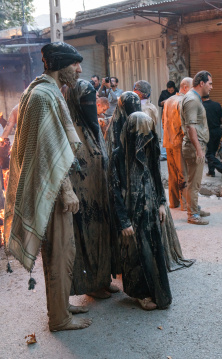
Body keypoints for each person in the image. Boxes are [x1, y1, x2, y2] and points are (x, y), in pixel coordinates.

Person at [5, 42, 92, 331]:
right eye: (74, 64)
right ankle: (59, 318)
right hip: (52, 187)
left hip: (50, 183)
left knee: (62, 250)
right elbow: (46, 149)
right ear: (59, 64)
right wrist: (66, 188)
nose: (79, 69)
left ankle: (61, 305)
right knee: (59, 251)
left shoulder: (40, 89)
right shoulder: (44, 95)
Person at [109, 100, 172, 311]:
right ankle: (139, 293)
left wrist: (162, 203)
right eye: (142, 134)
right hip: (130, 213)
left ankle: (156, 290)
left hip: (151, 209)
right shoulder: (118, 155)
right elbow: (115, 191)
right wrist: (124, 221)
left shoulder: (150, 148)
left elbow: (156, 176)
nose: (145, 138)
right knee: (135, 254)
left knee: (153, 251)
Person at [62, 79, 119, 300]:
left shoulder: (93, 127)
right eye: (86, 100)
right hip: (85, 200)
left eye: (92, 98)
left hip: (100, 195)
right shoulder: (71, 133)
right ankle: (91, 283)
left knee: (103, 235)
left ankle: (104, 279)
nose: (91, 103)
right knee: (87, 238)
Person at [181, 71, 212, 225]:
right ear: (202, 84)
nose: (211, 87)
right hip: (194, 147)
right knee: (194, 183)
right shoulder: (192, 100)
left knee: (193, 181)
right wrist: (199, 149)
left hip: (195, 145)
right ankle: (192, 214)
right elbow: (190, 127)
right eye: (210, 83)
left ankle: (194, 208)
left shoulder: (194, 98)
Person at [162, 77, 192, 209]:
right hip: (179, 143)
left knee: (172, 174)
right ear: (185, 87)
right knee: (183, 173)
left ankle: (174, 202)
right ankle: (186, 204)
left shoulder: (168, 101)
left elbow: (163, 122)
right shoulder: (183, 101)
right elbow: (185, 126)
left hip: (168, 141)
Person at [134, 80, 164, 160]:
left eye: (134, 90)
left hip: (141, 144)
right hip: (151, 142)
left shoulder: (138, 108)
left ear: (138, 92)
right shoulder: (152, 107)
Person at [203, 95, 222, 178]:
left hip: (208, 132)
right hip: (218, 131)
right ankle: (211, 172)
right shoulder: (217, 104)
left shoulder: (201, 105)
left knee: (208, 155)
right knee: (212, 153)